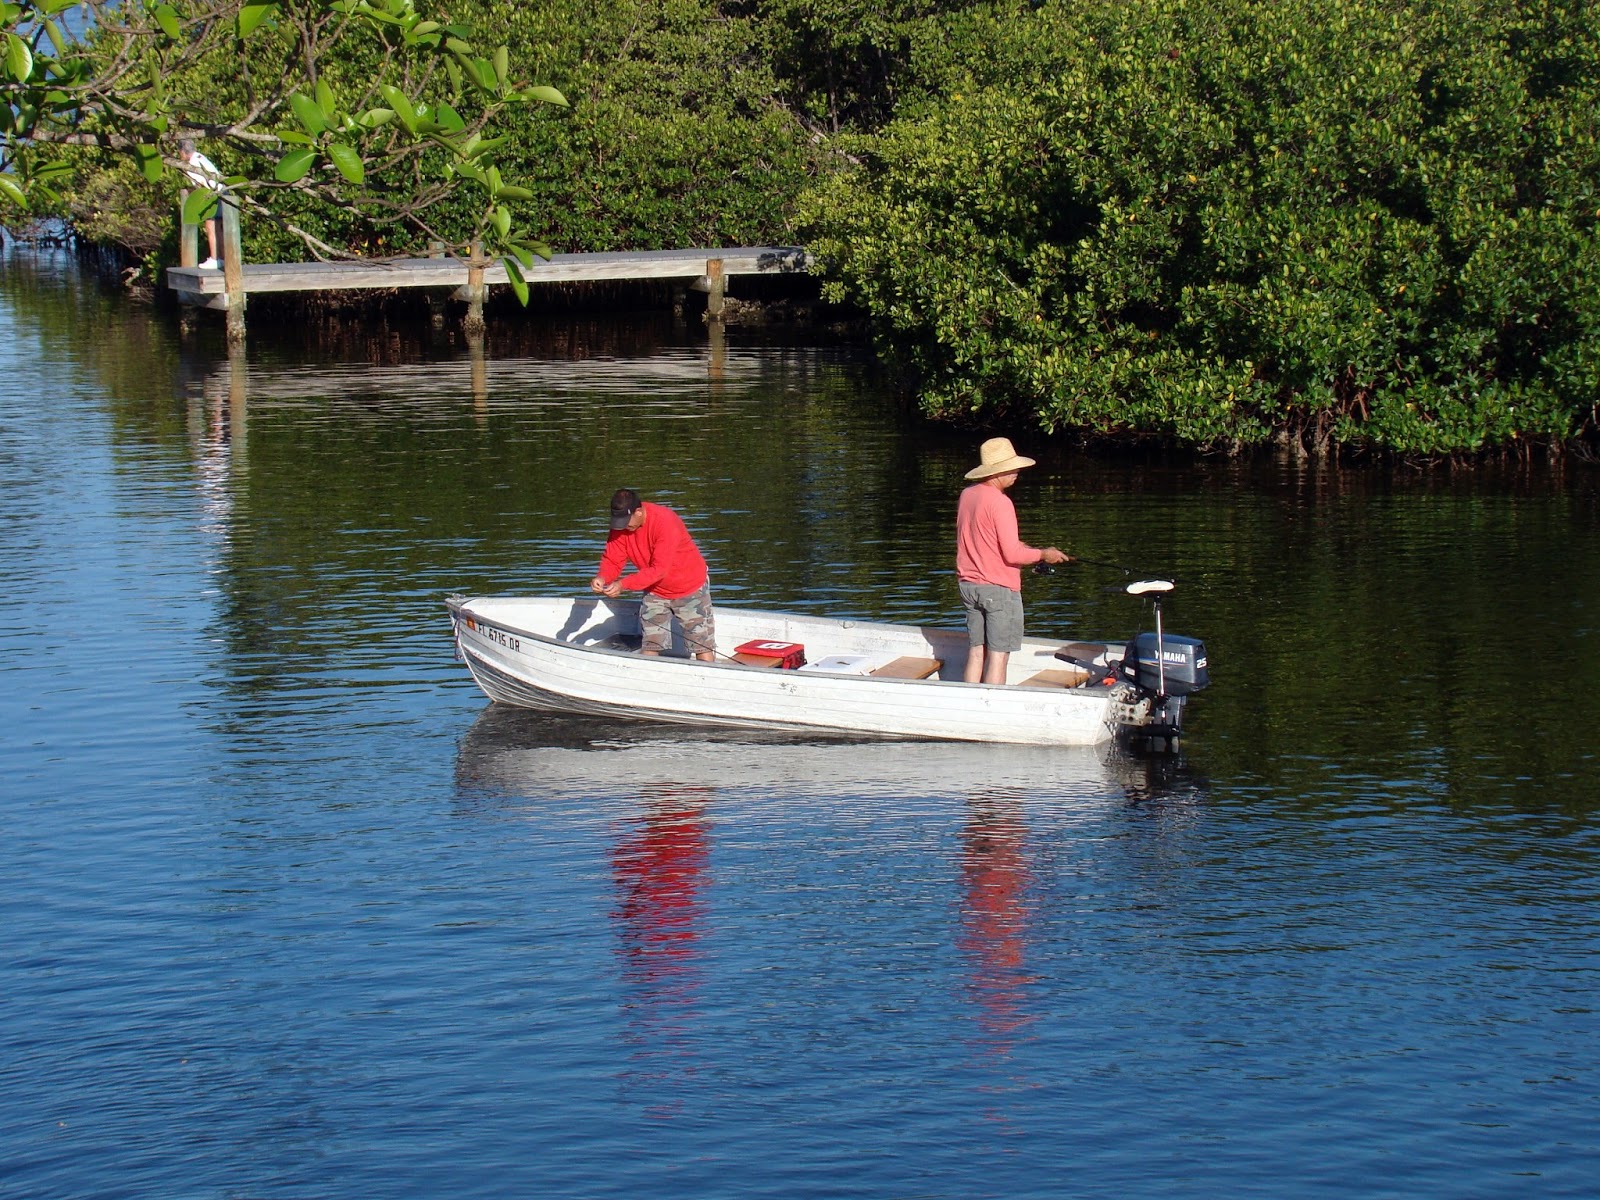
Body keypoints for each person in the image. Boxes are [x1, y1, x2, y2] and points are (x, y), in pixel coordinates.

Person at [956, 437, 1071, 684]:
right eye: (1012, 467)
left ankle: (970, 705)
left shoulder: (968, 495)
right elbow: (1012, 555)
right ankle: (991, 710)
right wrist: (1043, 554)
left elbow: (986, 541)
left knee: (977, 652)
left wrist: (1027, 549)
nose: (1017, 472)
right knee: (999, 656)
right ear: (997, 471)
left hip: (969, 587)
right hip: (999, 591)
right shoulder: (1001, 502)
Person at [591, 488, 717, 662]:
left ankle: (708, 682)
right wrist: (603, 577)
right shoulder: (620, 526)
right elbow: (613, 559)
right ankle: (647, 680)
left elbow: (659, 569)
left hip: (690, 587)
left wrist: (623, 584)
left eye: (626, 522)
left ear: (639, 511)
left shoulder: (665, 522)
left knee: (701, 644)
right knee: (650, 644)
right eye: (618, 522)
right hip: (655, 591)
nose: (623, 527)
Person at [179, 139, 224, 270]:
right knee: (219, 229)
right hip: (222, 193)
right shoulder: (201, 157)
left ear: (183, 151)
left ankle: (214, 259)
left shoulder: (192, 164)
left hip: (213, 194)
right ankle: (220, 259)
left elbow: (201, 185)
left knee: (210, 227)